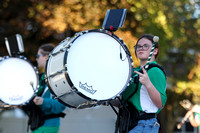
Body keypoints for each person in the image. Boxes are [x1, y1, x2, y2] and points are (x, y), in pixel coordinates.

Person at [114, 34, 167, 133]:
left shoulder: (155, 71)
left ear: (155, 51)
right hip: (130, 123)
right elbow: (129, 101)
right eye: (138, 46)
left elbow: (160, 104)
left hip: (144, 125)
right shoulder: (133, 72)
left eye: (146, 46)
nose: (141, 48)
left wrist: (148, 84)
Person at [22, 43, 66, 133]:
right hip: (36, 124)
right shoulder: (41, 78)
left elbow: (61, 105)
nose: (36, 59)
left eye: (38, 56)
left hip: (49, 125)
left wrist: (43, 101)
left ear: (46, 57)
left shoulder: (58, 78)